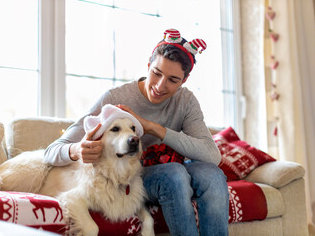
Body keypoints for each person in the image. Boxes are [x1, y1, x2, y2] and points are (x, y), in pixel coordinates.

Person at [44, 29, 229, 236]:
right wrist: (77, 150)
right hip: (133, 176)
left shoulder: (186, 101)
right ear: (148, 66)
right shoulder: (114, 98)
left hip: (170, 168)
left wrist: (150, 127)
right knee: (174, 174)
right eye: (156, 73)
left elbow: (212, 156)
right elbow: (51, 152)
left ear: (184, 80)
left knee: (212, 175)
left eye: (172, 80)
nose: (160, 86)